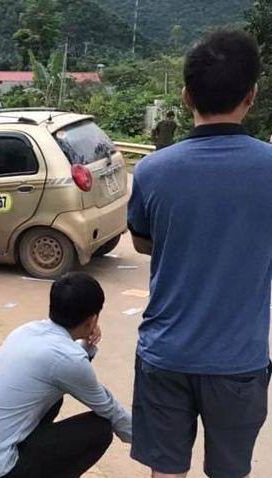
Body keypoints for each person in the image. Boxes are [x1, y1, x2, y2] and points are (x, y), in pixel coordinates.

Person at [127, 30, 272, 478]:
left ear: (186, 95)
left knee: (165, 473)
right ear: (251, 94)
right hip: (239, 363)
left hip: (165, 355)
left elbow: (141, 243)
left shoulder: (152, 170)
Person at [0, 272, 132, 478]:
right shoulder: (67, 359)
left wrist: (87, 347)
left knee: (53, 398)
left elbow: (64, 365)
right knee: (100, 429)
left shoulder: (28, 330)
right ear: (93, 319)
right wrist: (152, 442)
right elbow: (109, 409)